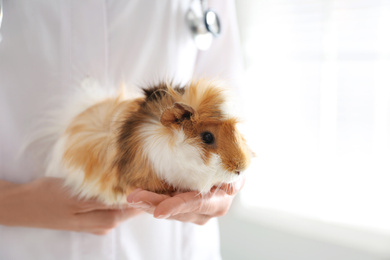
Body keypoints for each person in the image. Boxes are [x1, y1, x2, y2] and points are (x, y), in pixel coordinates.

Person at [0, 1, 244, 259]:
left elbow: (232, 99)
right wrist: (9, 203)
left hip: (168, 245)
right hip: (26, 240)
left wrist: (225, 190)